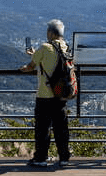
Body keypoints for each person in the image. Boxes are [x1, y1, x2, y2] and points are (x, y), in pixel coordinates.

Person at [19, 18, 72, 167]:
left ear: (50, 32)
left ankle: (41, 158)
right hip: (61, 94)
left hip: (45, 95)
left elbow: (31, 66)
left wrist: (24, 68)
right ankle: (64, 157)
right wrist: (35, 55)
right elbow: (52, 61)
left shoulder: (45, 47)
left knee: (42, 128)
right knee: (61, 127)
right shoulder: (66, 47)